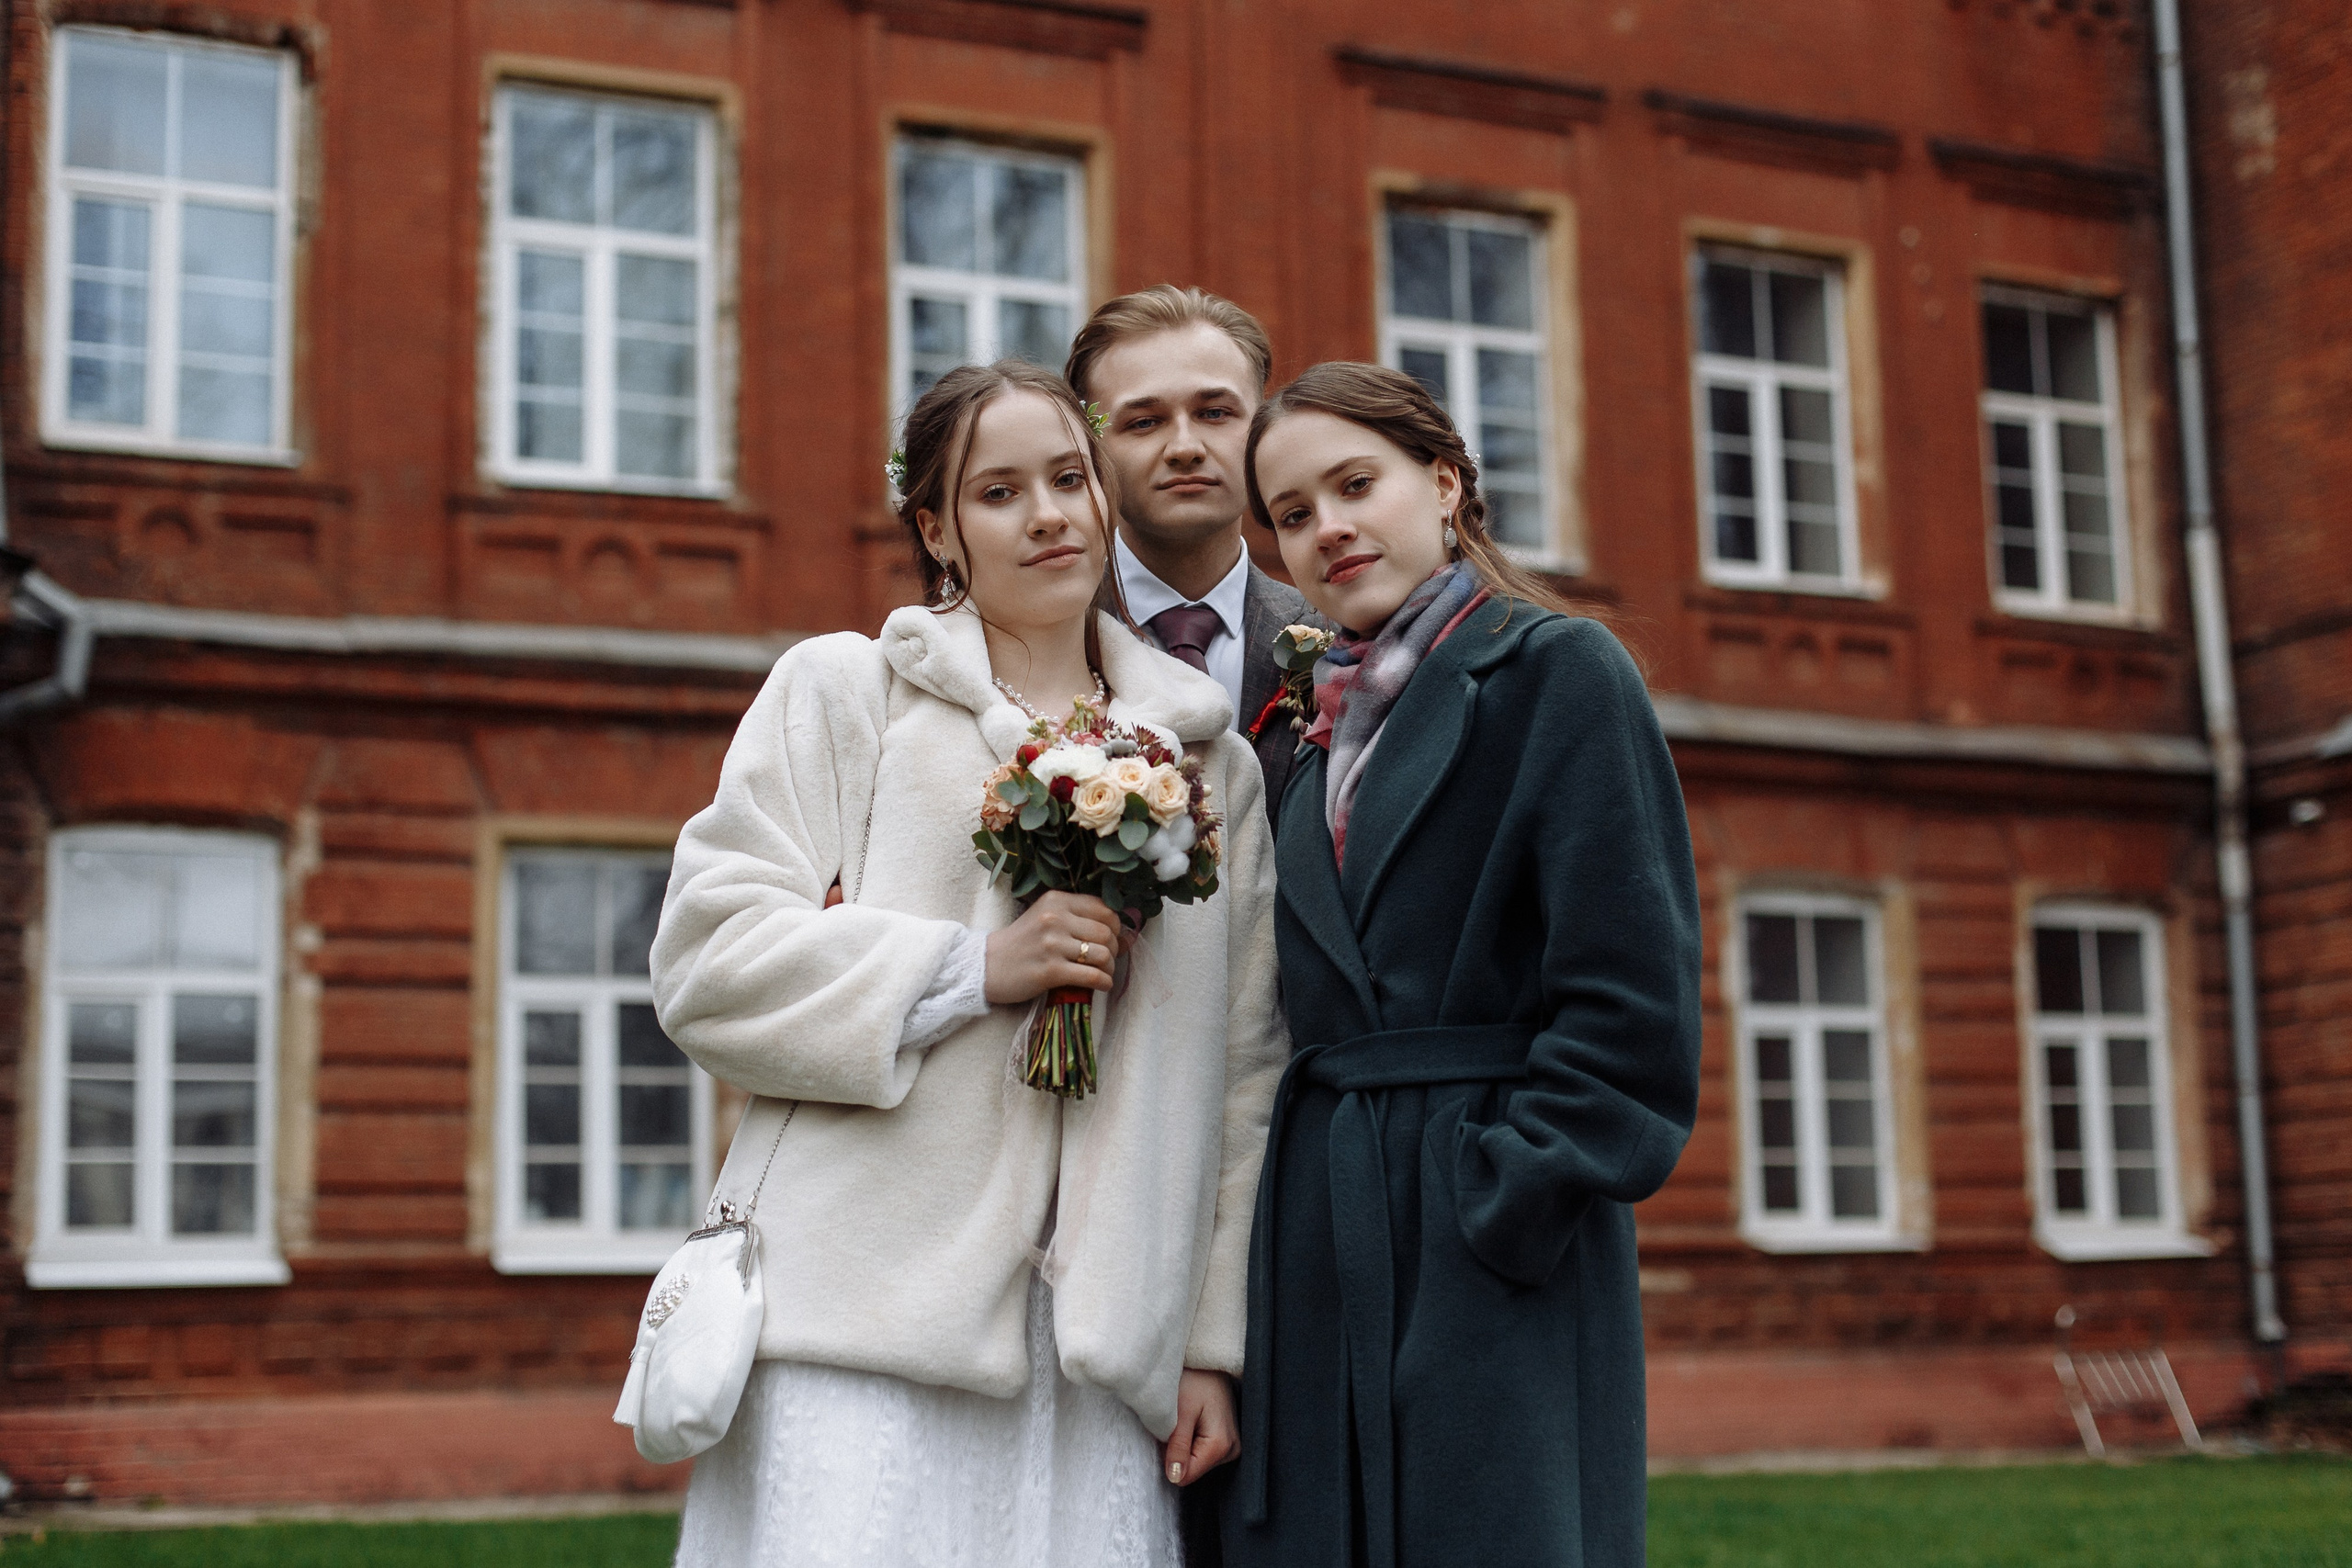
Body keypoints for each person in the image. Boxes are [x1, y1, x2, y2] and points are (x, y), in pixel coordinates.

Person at [651, 359, 1287, 1568]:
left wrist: (1208, 1336)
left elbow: (1244, 1072)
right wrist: (972, 965)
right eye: (1000, 491)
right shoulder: (849, 693)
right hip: (867, 1317)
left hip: (1100, 1342)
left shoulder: (1211, 764)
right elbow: (708, 958)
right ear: (938, 526)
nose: (1047, 513)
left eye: (1069, 477)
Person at [1222, 364, 1702, 1568]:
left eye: (1354, 483)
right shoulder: (1294, 722)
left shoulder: (1557, 672)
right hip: (1317, 1222)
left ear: (1442, 484)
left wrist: (1504, 1201)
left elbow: (1632, 1006)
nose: (1326, 525)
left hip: (1492, 1219)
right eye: (1290, 511)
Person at [1067, 286, 1322, 829]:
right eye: (1143, 421)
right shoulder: (1034, 638)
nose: (1185, 447)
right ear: (1091, 448)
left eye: (1214, 412)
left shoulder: (1336, 636)